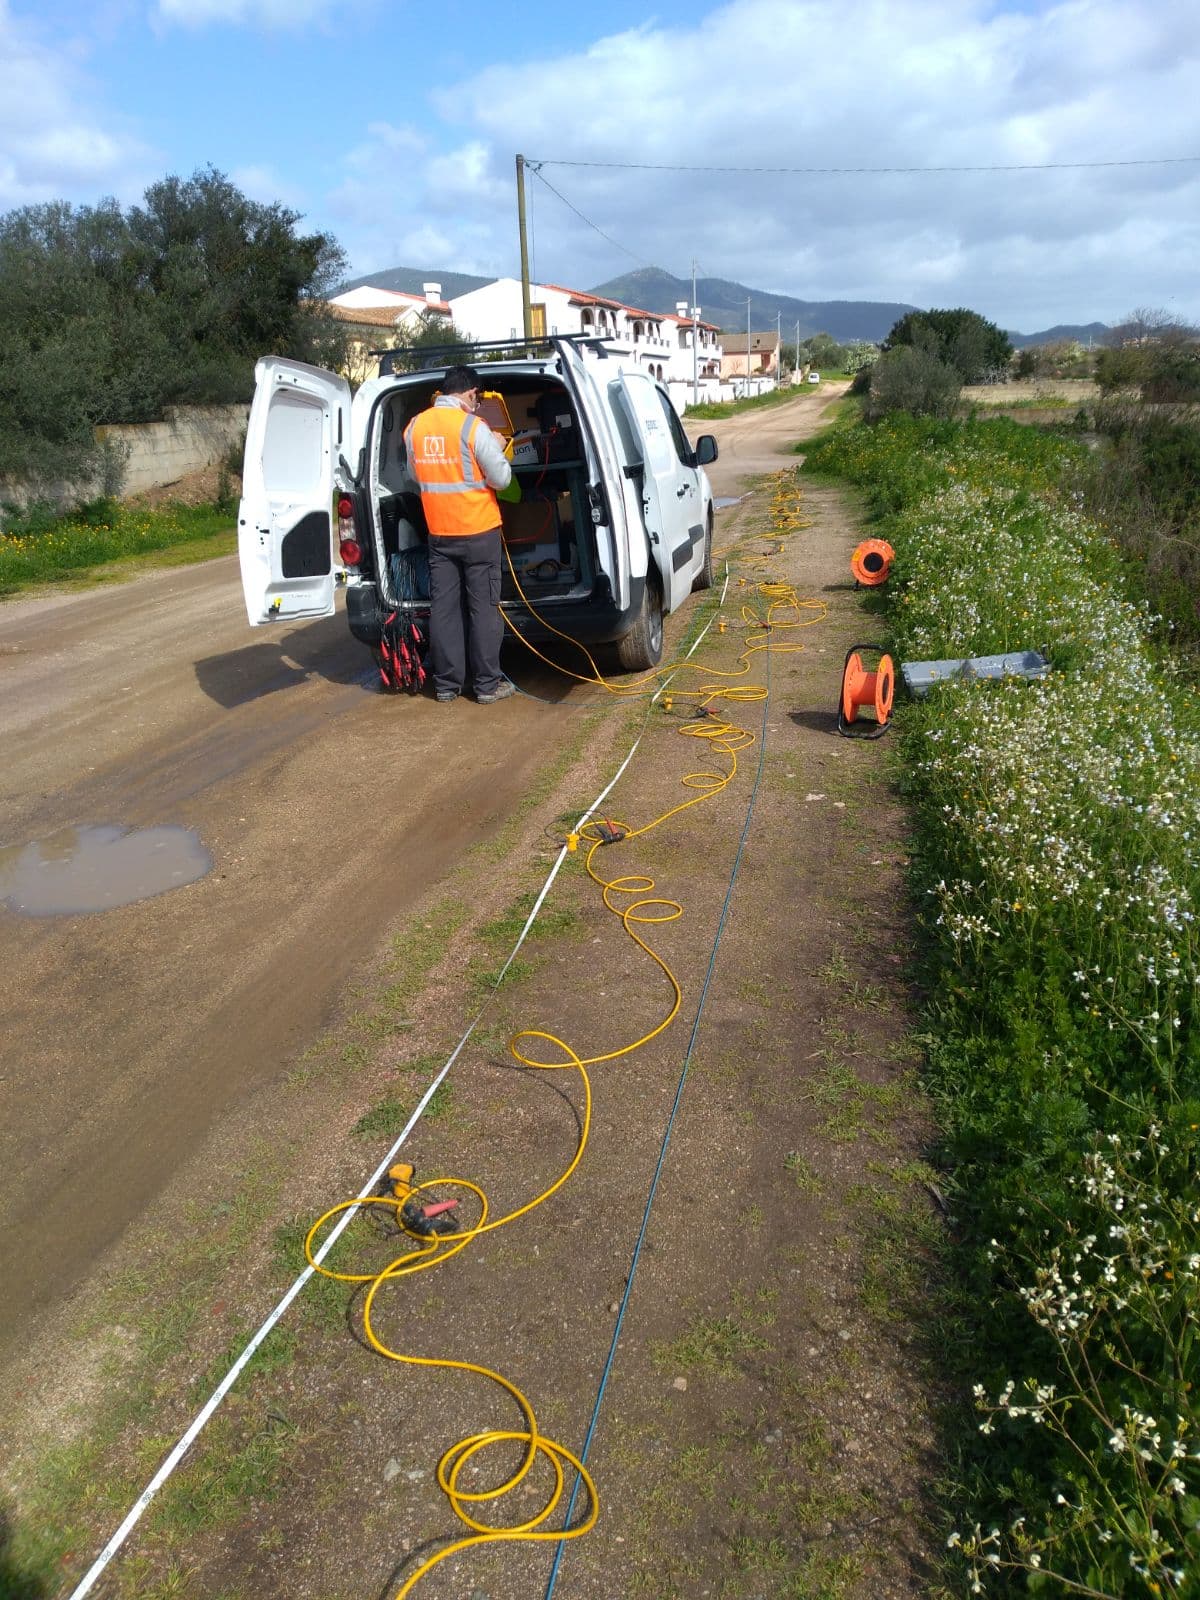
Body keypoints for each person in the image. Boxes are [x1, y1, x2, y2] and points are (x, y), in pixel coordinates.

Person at [403, 365, 516, 704]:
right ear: (469, 394)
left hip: (439, 533)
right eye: (476, 399)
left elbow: (414, 473)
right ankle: (486, 686)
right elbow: (502, 479)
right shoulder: (473, 428)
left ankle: (447, 685)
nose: (476, 404)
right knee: (483, 608)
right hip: (479, 531)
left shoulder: (415, 427)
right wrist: (496, 446)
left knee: (445, 610)